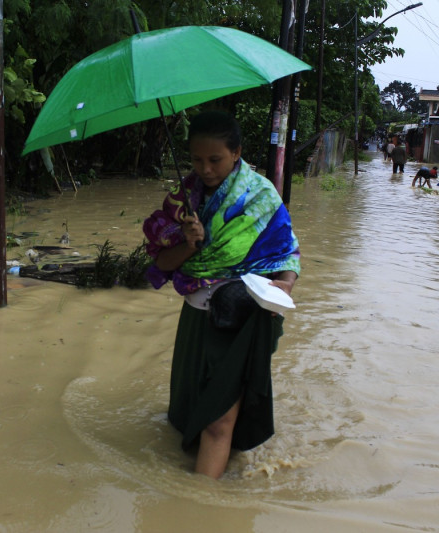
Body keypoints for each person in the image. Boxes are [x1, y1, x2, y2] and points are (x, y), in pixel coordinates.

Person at [142, 110, 300, 479]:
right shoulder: (180, 204)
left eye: (215, 160)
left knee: (218, 421)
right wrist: (189, 245)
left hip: (243, 320)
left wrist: (286, 285)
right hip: (197, 320)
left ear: (236, 153)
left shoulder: (261, 196)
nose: (206, 168)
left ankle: (198, 504)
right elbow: (163, 264)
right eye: (197, 159)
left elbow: (287, 252)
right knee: (189, 408)